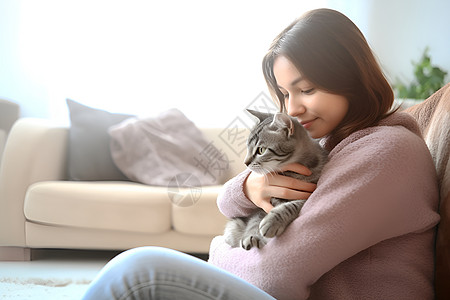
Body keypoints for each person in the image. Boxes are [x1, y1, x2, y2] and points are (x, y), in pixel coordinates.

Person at [82, 8, 440, 300]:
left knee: (136, 271)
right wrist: (250, 188)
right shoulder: (332, 147)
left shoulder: (384, 152)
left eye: (307, 89)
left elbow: (274, 274)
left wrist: (221, 249)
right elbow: (231, 203)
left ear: (353, 77)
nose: (292, 109)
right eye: (284, 94)